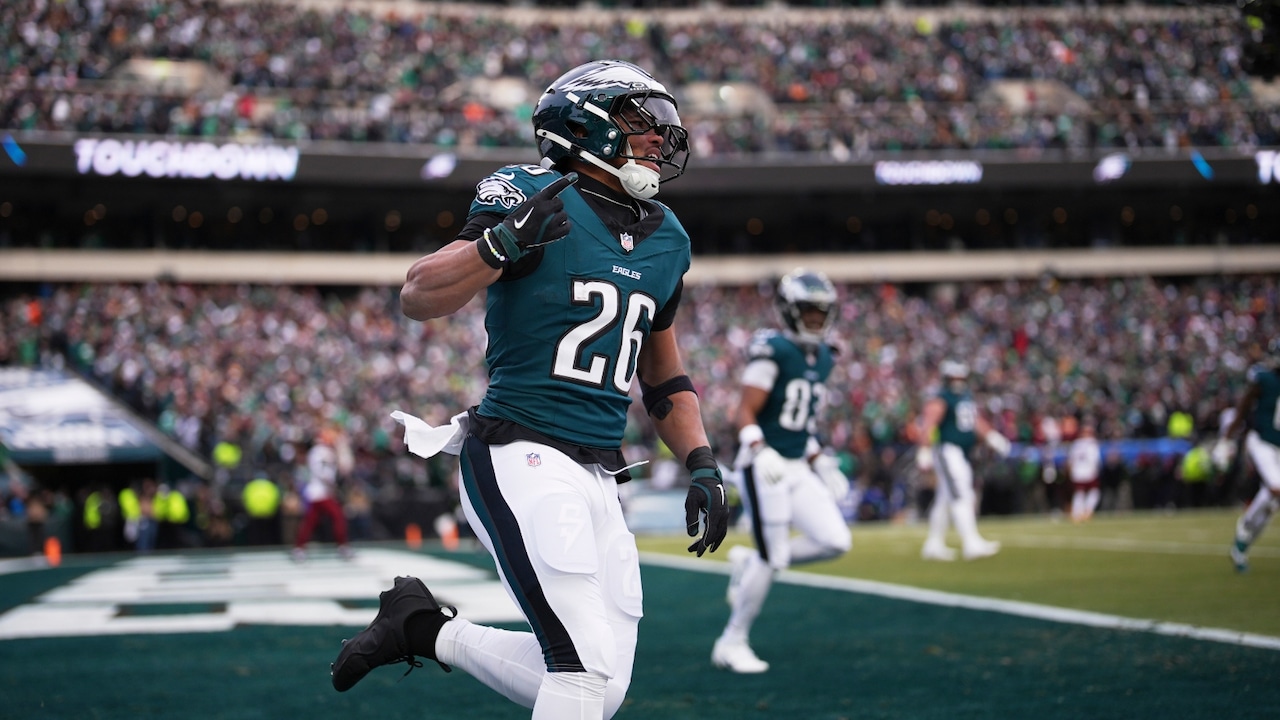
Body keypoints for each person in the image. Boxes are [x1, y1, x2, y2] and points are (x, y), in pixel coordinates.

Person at [330, 60, 729, 720]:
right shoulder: (528, 192)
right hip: (520, 449)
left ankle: (421, 629)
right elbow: (418, 295)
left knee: (602, 688)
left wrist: (702, 461)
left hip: (599, 470)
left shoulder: (669, 237)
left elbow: (663, 376)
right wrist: (499, 243)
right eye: (640, 120)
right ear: (585, 125)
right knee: (582, 672)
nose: (660, 136)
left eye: (662, 124)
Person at [711, 269, 853, 674]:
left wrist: (818, 458)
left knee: (835, 540)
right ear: (790, 311)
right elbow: (744, 411)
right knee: (772, 558)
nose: (815, 319)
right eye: (808, 311)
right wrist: (759, 449)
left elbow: (798, 422)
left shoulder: (824, 356)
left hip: (795, 463)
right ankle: (731, 641)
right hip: (764, 465)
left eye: (821, 312)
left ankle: (749, 562)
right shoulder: (773, 349)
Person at [915, 360, 1011, 561]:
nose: (958, 381)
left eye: (960, 377)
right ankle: (970, 542)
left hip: (962, 453)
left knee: (945, 499)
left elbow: (974, 421)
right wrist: (924, 449)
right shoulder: (942, 398)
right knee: (961, 495)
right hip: (948, 451)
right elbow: (929, 423)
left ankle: (933, 543)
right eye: (954, 378)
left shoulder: (965, 397)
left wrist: (992, 437)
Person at [1227, 338, 1280, 573]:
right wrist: (1228, 436)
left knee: (1271, 504)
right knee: (1276, 487)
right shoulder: (1264, 379)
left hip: (1278, 447)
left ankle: (1241, 546)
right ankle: (1245, 523)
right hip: (1261, 442)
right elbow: (1244, 405)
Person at [293, 433, 351, 561]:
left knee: (310, 522)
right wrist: (332, 483)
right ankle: (342, 546)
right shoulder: (320, 452)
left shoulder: (321, 451)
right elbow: (322, 472)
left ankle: (299, 548)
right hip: (320, 492)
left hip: (319, 492)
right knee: (337, 517)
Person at [1068, 420, 1102, 523]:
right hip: (1088, 471)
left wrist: (1071, 471)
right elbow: (1095, 459)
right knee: (1093, 491)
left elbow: (1070, 460)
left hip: (1077, 472)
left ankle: (1077, 513)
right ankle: (1087, 510)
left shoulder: (1076, 444)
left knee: (1080, 493)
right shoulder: (1092, 443)